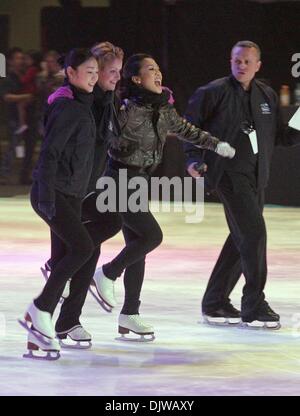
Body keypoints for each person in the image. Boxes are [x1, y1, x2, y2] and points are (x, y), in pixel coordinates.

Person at [92, 53, 235, 341]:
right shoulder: (126, 108)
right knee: (150, 237)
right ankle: (106, 273)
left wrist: (216, 144)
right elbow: (103, 131)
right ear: (136, 79)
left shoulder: (164, 108)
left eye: (158, 68)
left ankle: (130, 314)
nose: (158, 73)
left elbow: (186, 130)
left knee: (138, 247)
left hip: (140, 180)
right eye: (150, 69)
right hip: (119, 178)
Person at [184, 40, 300, 329]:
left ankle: (215, 302)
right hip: (228, 174)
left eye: (248, 61)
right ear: (230, 61)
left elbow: (281, 135)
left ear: (258, 65)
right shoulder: (213, 93)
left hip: (257, 177)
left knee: (241, 240)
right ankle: (254, 304)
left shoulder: (266, 95)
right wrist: (192, 160)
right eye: (237, 60)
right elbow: (189, 128)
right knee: (254, 235)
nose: (242, 65)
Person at [19, 48, 99, 359]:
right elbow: (50, 153)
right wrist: (48, 198)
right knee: (82, 247)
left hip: (69, 193)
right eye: (88, 71)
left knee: (71, 251)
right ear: (71, 72)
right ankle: (39, 309)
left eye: (96, 71)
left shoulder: (81, 105)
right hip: (53, 192)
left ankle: (39, 331)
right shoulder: (69, 108)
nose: (93, 76)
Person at [0, 48, 32, 185]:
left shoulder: (24, 76)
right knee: (13, 146)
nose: (21, 61)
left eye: (22, 58)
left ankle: (23, 175)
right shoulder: (8, 79)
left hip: (27, 118)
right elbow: (6, 97)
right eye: (18, 58)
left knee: (24, 147)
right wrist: (25, 97)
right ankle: (3, 173)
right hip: (14, 118)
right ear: (11, 61)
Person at [15, 50, 43, 135]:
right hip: (31, 92)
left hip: (30, 92)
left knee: (21, 106)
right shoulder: (33, 69)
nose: (25, 61)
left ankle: (23, 124)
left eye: (27, 59)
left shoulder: (32, 69)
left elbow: (25, 80)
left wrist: (19, 75)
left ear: (33, 60)